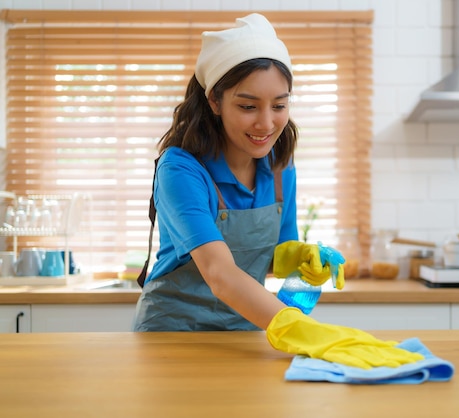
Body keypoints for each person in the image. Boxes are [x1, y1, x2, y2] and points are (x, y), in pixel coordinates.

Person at [133, 13, 422, 369]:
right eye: (248, 106)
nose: (267, 123)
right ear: (214, 101)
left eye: (280, 105)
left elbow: (271, 261)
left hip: (247, 336)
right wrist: (308, 333)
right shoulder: (181, 170)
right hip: (173, 339)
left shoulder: (280, 167)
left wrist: (301, 264)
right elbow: (220, 273)